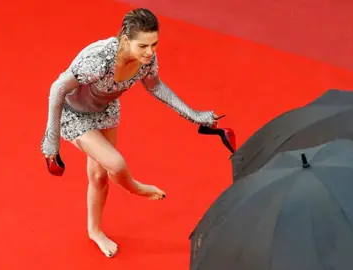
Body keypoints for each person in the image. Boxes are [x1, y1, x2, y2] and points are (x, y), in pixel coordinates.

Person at [40, 8, 220, 258]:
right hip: (74, 114)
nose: (150, 51)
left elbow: (156, 87)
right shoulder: (99, 59)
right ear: (125, 39)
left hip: (105, 110)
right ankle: (136, 188)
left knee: (99, 175)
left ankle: (95, 230)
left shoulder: (146, 61)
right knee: (116, 163)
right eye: (143, 45)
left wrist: (194, 115)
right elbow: (58, 89)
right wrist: (51, 141)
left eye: (154, 44)